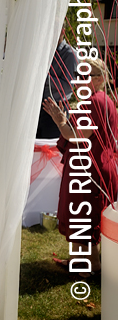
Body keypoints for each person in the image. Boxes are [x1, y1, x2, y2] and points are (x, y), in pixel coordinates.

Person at [43, 58, 118, 278]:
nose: (78, 80)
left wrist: (59, 119)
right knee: (87, 213)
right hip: (98, 164)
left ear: (99, 78)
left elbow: (75, 136)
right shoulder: (106, 100)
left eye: (84, 75)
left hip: (89, 167)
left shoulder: (94, 101)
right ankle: (82, 260)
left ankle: (89, 266)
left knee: (82, 213)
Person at [37, 31, 78, 138]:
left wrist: (43, 78)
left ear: (62, 32)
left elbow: (69, 86)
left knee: (51, 149)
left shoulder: (70, 54)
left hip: (56, 110)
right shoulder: (44, 51)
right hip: (38, 107)